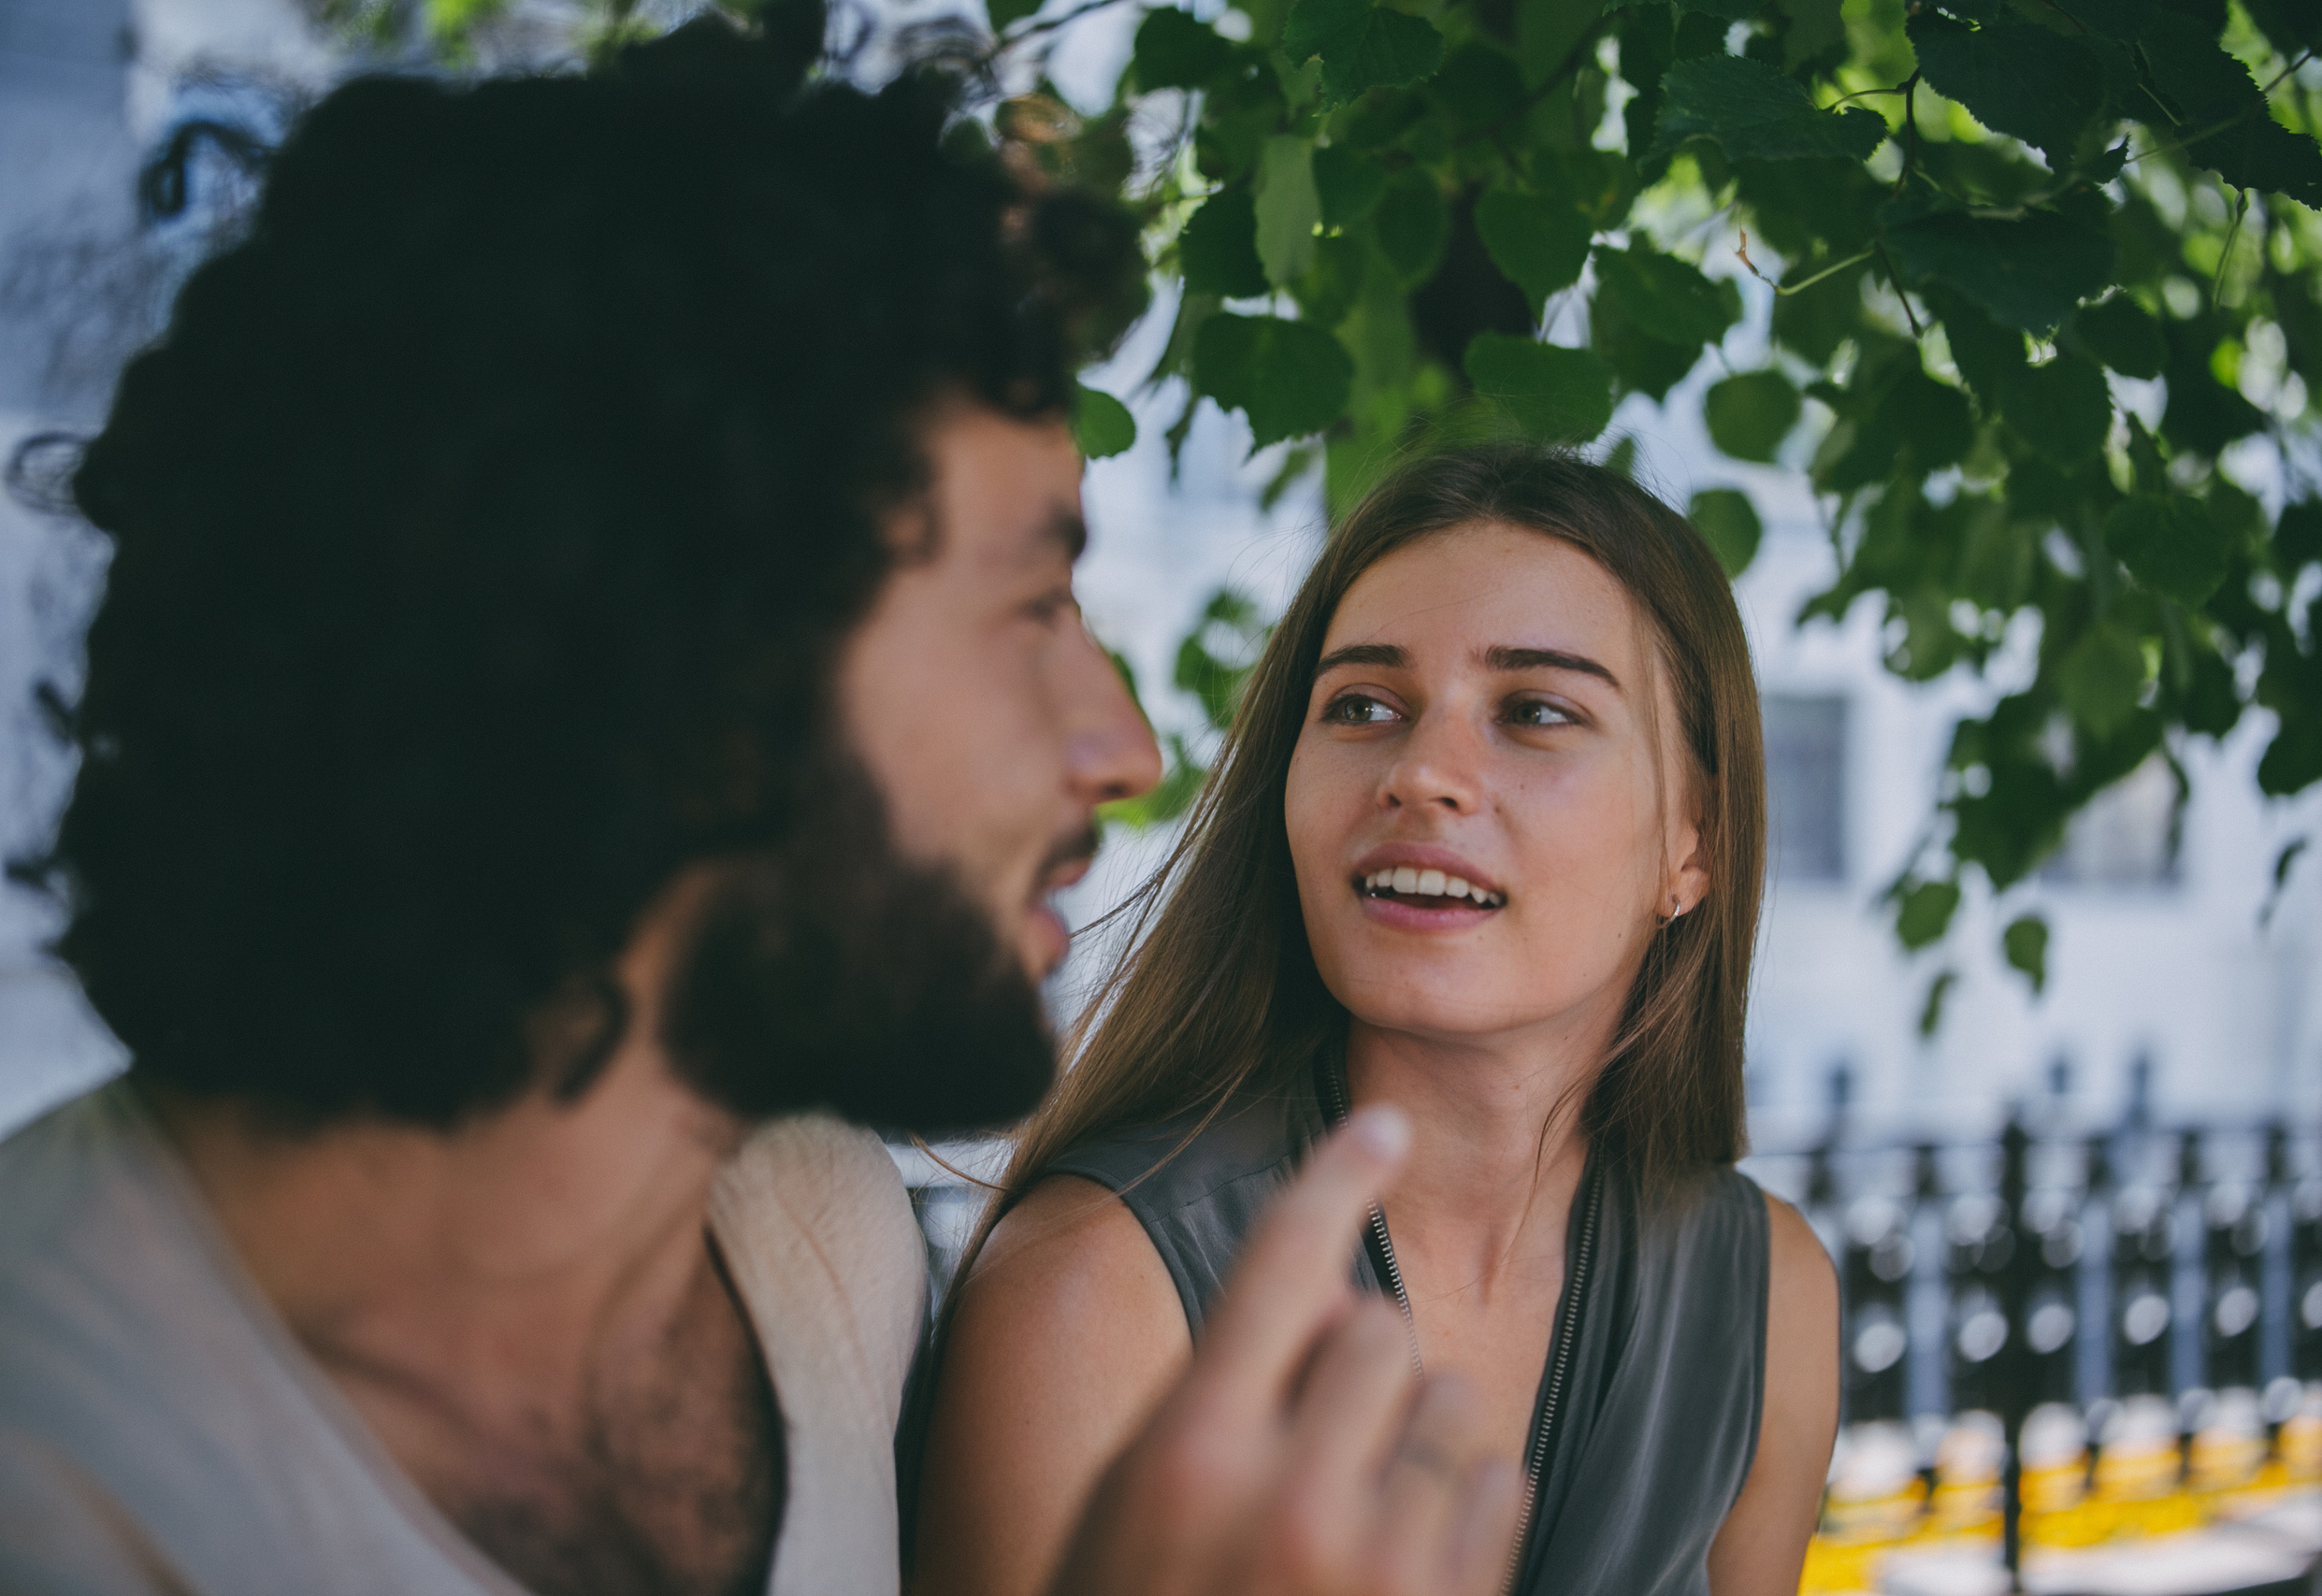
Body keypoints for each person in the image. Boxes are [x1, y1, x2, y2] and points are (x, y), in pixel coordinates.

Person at [0, 10, 1525, 1596]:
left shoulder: (818, 1244)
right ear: (677, 656)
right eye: (1031, 611)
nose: (1127, 747)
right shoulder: (56, 1469)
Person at [914, 445, 1844, 1596]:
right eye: (1360, 705)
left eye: (1535, 711)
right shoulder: (1088, 1291)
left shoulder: (1769, 1298)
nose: (1420, 772)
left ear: (1692, 843)